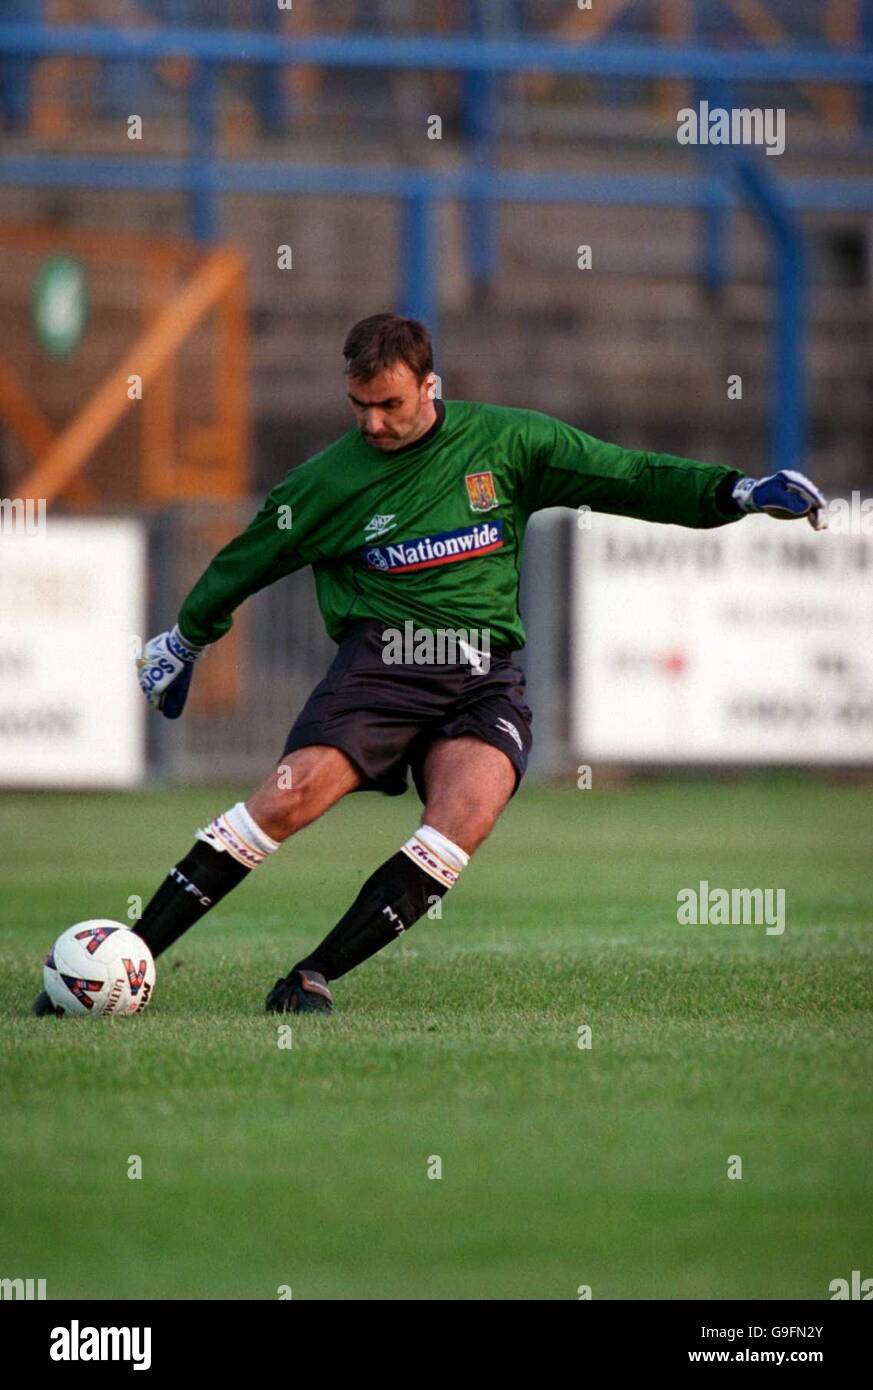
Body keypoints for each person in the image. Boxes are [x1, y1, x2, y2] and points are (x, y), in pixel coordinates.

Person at [32, 313, 828, 1016]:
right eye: (359, 405)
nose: (373, 422)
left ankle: (309, 978)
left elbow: (624, 475)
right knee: (289, 800)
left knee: (461, 823)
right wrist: (186, 637)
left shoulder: (509, 442)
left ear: (429, 385)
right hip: (380, 667)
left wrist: (736, 493)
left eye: (390, 404)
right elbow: (247, 559)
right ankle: (117, 962)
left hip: (484, 674)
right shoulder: (325, 483)